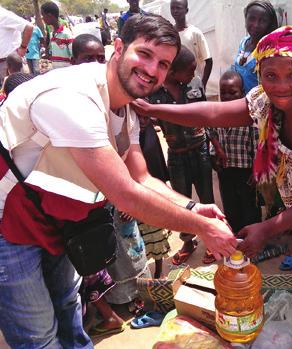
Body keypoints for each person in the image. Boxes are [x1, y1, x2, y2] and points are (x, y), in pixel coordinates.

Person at [0, 14, 236, 348]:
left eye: (164, 64)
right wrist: (202, 227)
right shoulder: (73, 98)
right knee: (38, 334)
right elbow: (126, 195)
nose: (153, 70)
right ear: (120, 48)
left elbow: (139, 177)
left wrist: (195, 207)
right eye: (145, 54)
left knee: (69, 308)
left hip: (56, 220)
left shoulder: (123, 106)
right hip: (9, 225)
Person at [132, 25, 292, 349]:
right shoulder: (267, 103)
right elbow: (212, 112)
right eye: (270, 75)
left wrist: (268, 228)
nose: (281, 86)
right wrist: (154, 110)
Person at [71, 34, 124, 338]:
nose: (92, 65)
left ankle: (113, 307)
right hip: (81, 200)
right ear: (73, 61)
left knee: (106, 252)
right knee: (89, 261)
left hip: (102, 196)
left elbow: (125, 151)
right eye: (85, 59)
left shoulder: (111, 99)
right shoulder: (73, 99)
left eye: (97, 59)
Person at [148, 46, 216, 265]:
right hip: (176, 156)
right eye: (189, 71)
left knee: (207, 199)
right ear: (172, 72)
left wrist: (216, 146)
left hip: (200, 151)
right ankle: (188, 241)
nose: (194, 75)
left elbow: (207, 116)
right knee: (182, 203)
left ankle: (211, 242)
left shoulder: (195, 84)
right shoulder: (155, 92)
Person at [210, 71, 261, 234]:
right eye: (223, 92)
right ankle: (236, 235)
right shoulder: (217, 114)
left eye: (233, 93)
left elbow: (258, 145)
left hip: (246, 171)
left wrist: (256, 171)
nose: (227, 97)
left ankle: (252, 237)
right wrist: (215, 153)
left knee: (249, 207)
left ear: (243, 93)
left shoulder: (249, 117)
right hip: (225, 170)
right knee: (230, 205)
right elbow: (211, 133)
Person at [138, 115, 171, 278]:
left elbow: (159, 172)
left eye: (145, 118)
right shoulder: (123, 141)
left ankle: (159, 270)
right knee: (138, 239)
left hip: (153, 196)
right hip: (132, 199)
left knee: (157, 233)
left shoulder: (150, 139)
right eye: (138, 118)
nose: (142, 122)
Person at [232, 0, 278, 95]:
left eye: (263, 21)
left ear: (269, 24)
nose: (256, 25)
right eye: (252, 18)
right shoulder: (244, 42)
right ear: (245, 19)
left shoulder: (269, 51)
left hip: (258, 106)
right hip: (240, 102)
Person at [170, 0, 213, 90]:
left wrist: (202, 84)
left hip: (194, 84)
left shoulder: (195, 33)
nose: (175, 11)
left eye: (178, 8)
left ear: (186, 10)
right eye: (172, 8)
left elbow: (208, 61)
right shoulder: (170, 33)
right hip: (175, 85)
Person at [0, 6, 33, 84]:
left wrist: (23, 47)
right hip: (3, 64)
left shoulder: (3, 15)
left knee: (17, 90)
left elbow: (28, 27)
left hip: (10, 63)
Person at [41, 1, 73, 69]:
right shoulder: (52, 34)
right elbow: (54, 55)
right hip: (56, 72)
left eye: (43, 15)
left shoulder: (66, 34)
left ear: (49, 15)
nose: (42, 18)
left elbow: (73, 56)